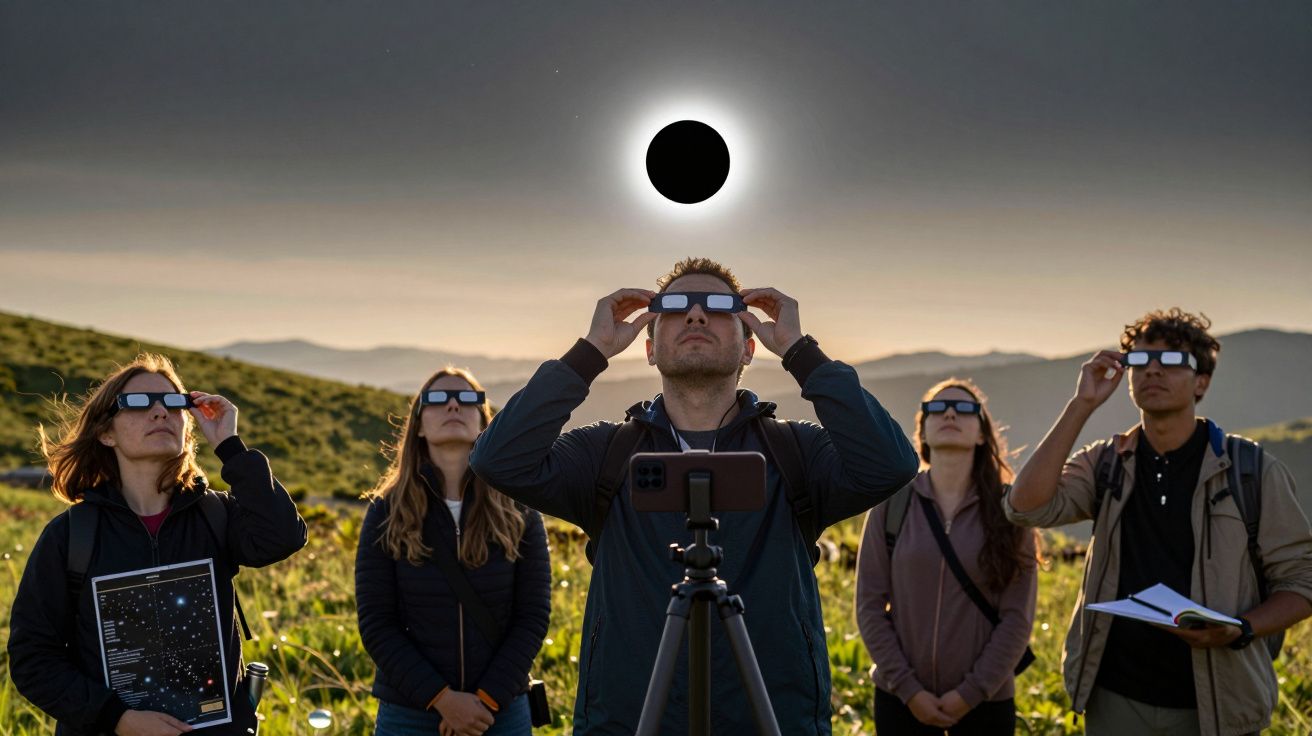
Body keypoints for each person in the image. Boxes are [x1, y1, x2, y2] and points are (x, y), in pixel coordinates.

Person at [469, 257, 919, 734]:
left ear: (749, 349)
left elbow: (890, 465)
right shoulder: (606, 454)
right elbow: (498, 460)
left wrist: (800, 352)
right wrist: (590, 352)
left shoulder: (794, 453)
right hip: (629, 718)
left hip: (771, 719)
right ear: (648, 349)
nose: (697, 316)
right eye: (676, 306)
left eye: (719, 307)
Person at [1004, 308, 1312, 736]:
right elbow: (1025, 507)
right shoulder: (1107, 461)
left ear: (1201, 381)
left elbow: (1302, 580)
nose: (1152, 369)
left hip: (1217, 702)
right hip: (1114, 696)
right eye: (1139, 361)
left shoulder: (1251, 470)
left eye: (1171, 360)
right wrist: (1082, 404)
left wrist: (1241, 630)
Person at [7, 353, 308, 735]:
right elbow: (33, 658)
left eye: (173, 402)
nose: (160, 412)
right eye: (137, 403)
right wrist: (117, 718)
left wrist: (230, 446)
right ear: (106, 433)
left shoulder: (215, 516)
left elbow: (283, 537)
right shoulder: (70, 536)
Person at [356, 368, 550, 736]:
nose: (452, 405)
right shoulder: (386, 511)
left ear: (484, 422)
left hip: (499, 711)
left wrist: (485, 700)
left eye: (467, 399)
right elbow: (377, 623)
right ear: (418, 425)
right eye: (436, 398)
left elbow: (533, 617)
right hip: (410, 712)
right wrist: (442, 699)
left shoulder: (519, 509)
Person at [856, 378, 1037, 735]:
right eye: (936, 408)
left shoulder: (1009, 510)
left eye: (965, 408)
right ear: (921, 431)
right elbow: (869, 606)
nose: (950, 413)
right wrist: (910, 691)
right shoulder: (892, 504)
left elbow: (1017, 618)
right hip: (899, 701)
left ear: (983, 434)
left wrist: (970, 694)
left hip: (986, 704)